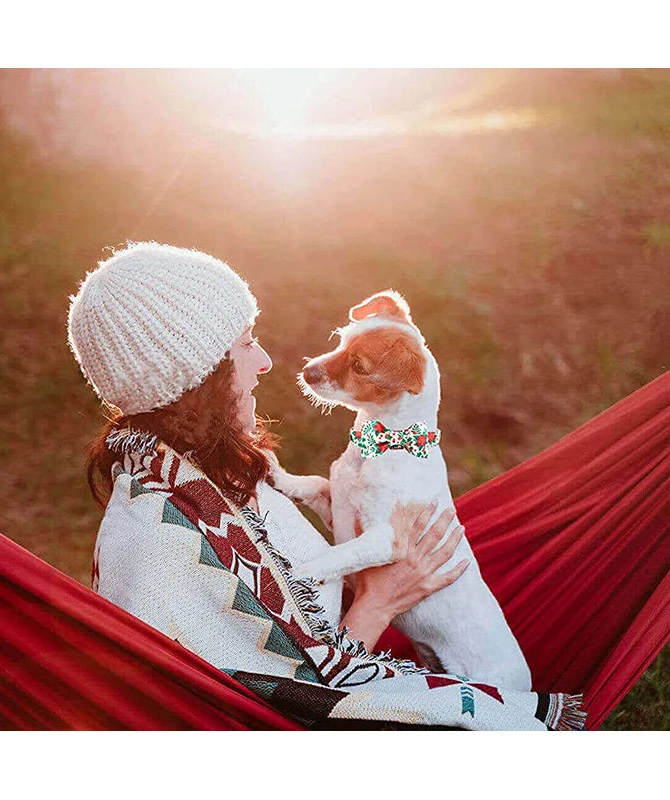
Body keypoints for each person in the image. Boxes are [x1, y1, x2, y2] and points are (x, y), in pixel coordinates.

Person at [66, 241, 584, 730]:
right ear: (194, 377)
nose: (266, 360)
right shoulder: (159, 544)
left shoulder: (201, 473)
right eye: (245, 344)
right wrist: (379, 601)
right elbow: (292, 714)